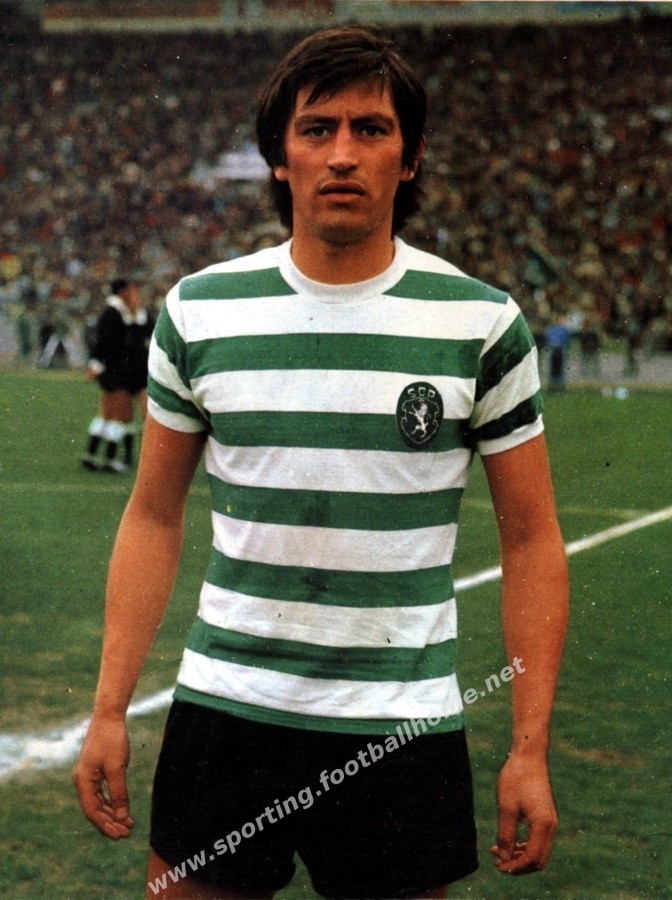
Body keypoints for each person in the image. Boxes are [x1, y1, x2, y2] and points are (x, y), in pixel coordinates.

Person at [73, 27, 569, 900]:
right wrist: (110, 708)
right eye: (317, 129)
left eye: (371, 129)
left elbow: (531, 541)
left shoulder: (481, 323)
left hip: (399, 729)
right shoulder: (199, 312)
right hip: (226, 713)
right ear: (280, 156)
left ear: (409, 158)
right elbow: (151, 515)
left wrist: (529, 750)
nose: (343, 153)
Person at [81, 278, 154, 472]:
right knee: (118, 415)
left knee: (113, 415)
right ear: (124, 292)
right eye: (132, 290)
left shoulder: (131, 313)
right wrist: (97, 364)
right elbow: (105, 343)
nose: (135, 294)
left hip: (126, 371)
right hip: (119, 372)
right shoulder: (115, 313)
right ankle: (109, 460)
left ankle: (93, 456)